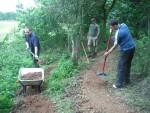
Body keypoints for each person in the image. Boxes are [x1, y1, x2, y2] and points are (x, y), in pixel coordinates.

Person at [104, 20, 135, 88]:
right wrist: (112, 30)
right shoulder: (124, 25)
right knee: (127, 65)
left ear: (115, 26)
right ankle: (127, 81)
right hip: (132, 48)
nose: (111, 28)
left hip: (126, 50)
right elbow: (117, 29)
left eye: (111, 27)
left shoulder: (119, 33)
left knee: (121, 66)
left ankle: (119, 84)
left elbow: (115, 45)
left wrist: (108, 52)